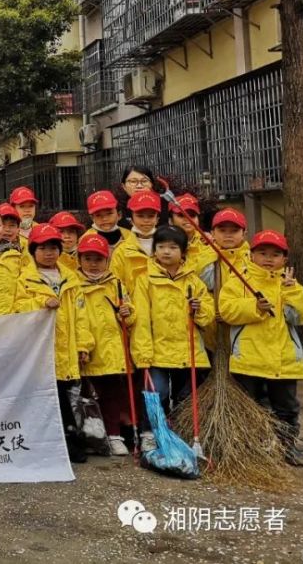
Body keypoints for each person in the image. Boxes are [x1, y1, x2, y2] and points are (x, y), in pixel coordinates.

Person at [218, 230, 303, 466]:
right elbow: (227, 310)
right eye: (262, 253)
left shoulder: (289, 283)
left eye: (275, 254)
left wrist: (292, 291)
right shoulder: (238, 281)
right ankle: (253, 448)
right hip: (249, 359)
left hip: (284, 361)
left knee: (287, 408)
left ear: (284, 259)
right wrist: (255, 307)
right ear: (251, 255)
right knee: (252, 407)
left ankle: (287, 447)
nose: (269, 258)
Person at [14, 224, 86, 462]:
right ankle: (62, 442)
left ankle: (68, 441)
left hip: (67, 348)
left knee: (66, 394)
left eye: (53, 247)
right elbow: (18, 308)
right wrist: (41, 304)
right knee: (47, 395)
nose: (48, 253)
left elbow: (81, 315)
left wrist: (84, 345)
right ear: (33, 251)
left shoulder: (71, 278)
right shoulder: (24, 280)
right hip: (41, 350)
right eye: (43, 248)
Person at [129, 226, 214, 415]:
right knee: (157, 393)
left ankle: (181, 434)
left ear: (183, 252)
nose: (166, 252)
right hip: (157, 353)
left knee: (186, 398)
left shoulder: (193, 281)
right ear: (154, 250)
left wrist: (198, 309)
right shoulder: (145, 281)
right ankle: (153, 432)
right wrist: (143, 354)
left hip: (188, 352)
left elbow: (207, 317)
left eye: (173, 247)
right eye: (161, 246)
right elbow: (141, 320)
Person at [74, 234, 137, 457]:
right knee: (87, 398)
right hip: (87, 351)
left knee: (112, 396)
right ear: (79, 259)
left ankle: (114, 435)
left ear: (107, 260)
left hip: (112, 351)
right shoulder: (73, 285)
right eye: (88, 258)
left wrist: (127, 313)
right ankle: (92, 437)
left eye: (98, 259)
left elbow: (129, 315)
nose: (93, 264)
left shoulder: (116, 284)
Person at [111, 189, 160, 295]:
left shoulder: (168, 246)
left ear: (157, 219)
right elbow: (115, 285)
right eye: (140, 216)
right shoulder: (121, 251)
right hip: (134, 309)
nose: (146, 220)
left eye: (151, 216)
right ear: (131, 219)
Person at [206, 208, 251, 291]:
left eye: (234, 231)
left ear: (244, 234)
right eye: (222, 230)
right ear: (212, 233)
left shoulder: (252, 259)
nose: (228, 235)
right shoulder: (205, 257)